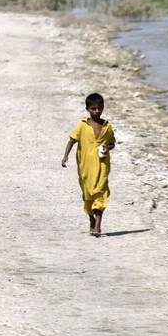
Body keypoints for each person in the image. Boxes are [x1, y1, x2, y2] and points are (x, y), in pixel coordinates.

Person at [61, 93, 115, 236]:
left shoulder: (107, 127)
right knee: (87, 195)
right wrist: (65, 156)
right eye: (93, 109)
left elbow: (112, 143)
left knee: (100, 192)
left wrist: (106, 148)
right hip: (85, 167)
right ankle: (91, 218)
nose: (97, 111)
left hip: (102, 165)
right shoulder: (82, 125)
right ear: (88, 109)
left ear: (103, 108)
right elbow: (72, 140)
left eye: (99, 108)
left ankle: (97, 226)